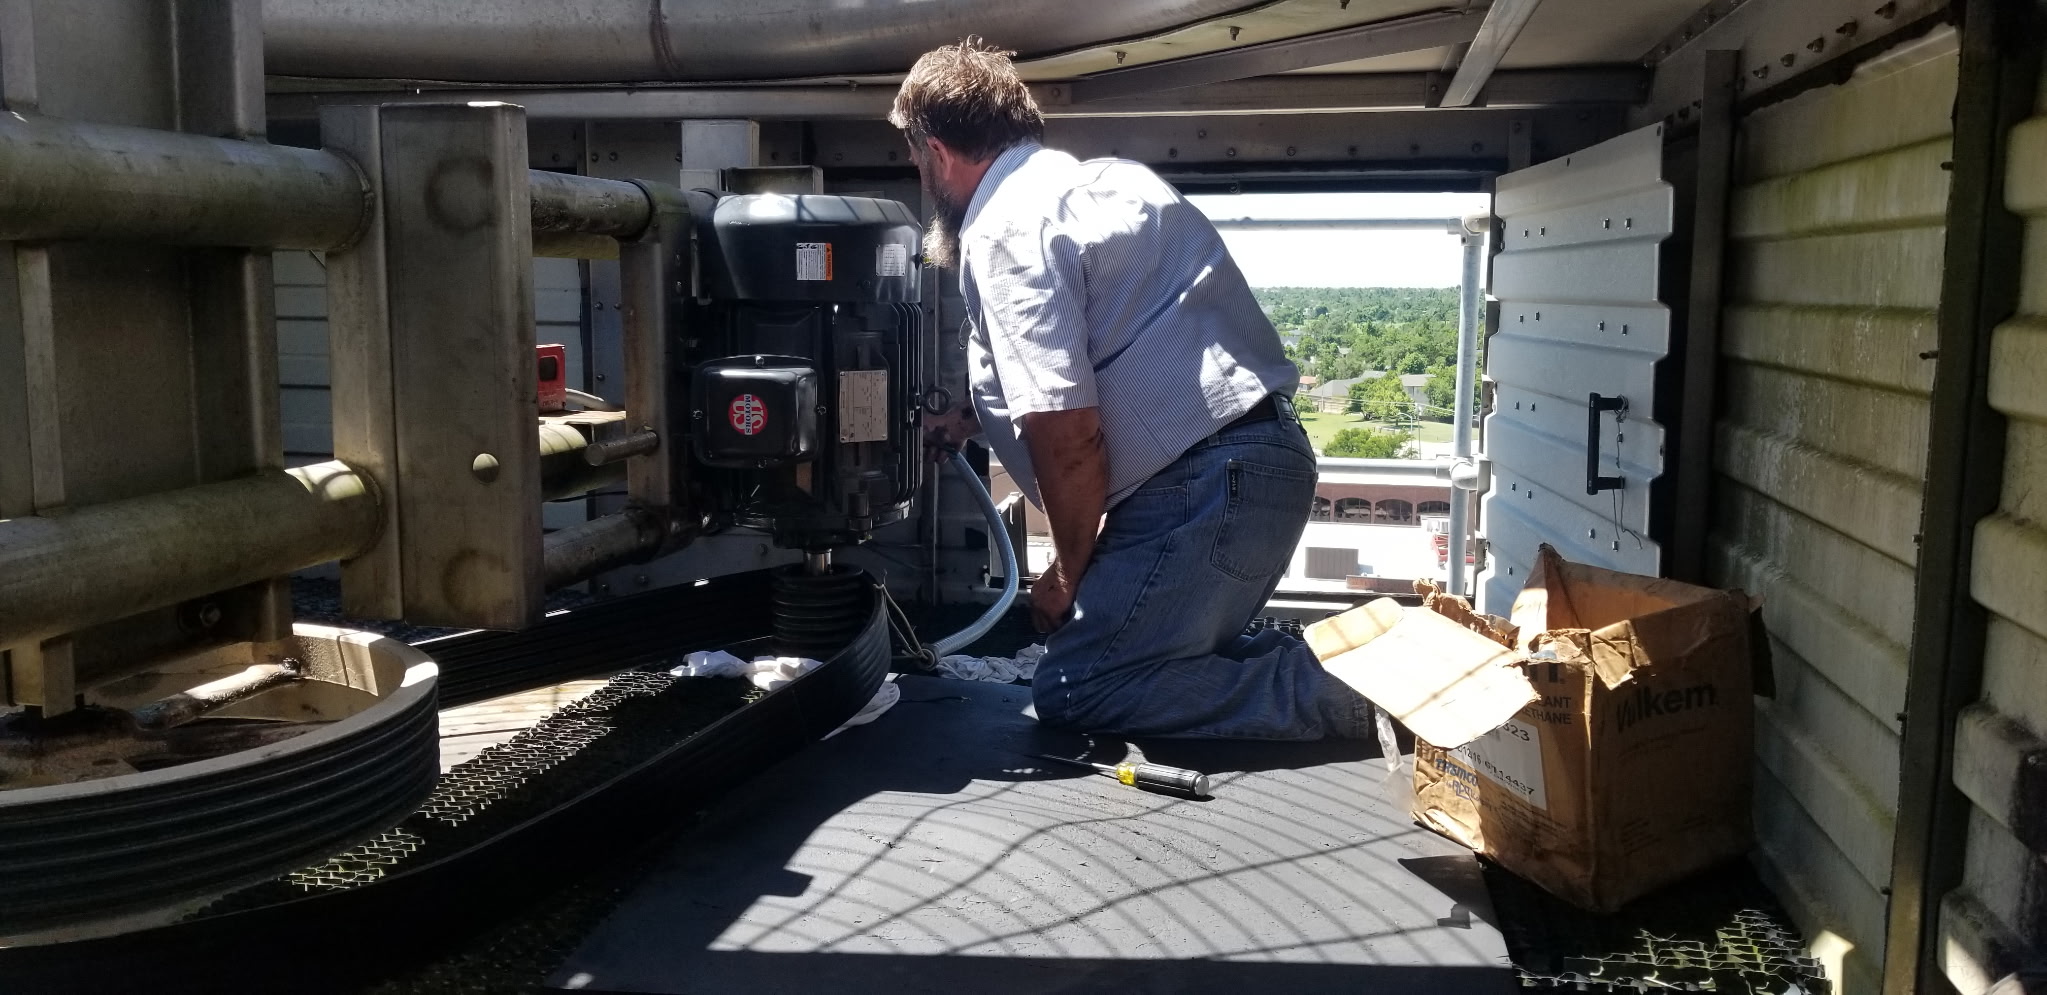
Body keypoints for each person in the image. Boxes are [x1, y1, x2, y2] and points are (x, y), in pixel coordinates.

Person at [896, 39, 1370, 740]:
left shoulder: (1002, 230)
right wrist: (968, 419)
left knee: (1084, 686)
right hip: (1264, 465)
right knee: (1155, 659)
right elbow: (1118, 350)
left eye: (913, 157)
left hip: (1200, 490)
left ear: (937, 153)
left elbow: (1068, 431)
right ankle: (1361, 665)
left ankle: (1379, 700)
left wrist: (1066, 572)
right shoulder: (1116, 182)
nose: (918, 172)